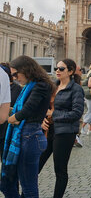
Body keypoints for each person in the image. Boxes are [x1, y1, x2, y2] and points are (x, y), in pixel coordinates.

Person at [0, 55, 54, 198]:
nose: (15, 78)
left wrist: (10, 118)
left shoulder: (41, 86)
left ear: (26, 70)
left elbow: (27, 110)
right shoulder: (31, 86)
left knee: (28, 186)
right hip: (28, 135)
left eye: (16, 74)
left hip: (30, 137)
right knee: (14, 184)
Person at [38, 59, 84, 198]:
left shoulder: (76, 89)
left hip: (65, 132)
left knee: (60, 170)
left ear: (70, 71)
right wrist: (42, 120)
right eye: (56, 68)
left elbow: (77, 113)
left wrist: (54, 115)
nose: (57, 70)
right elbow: (44, 107)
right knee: (35, 165)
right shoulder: (52, 86)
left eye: (61, 68)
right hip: (47, 130)